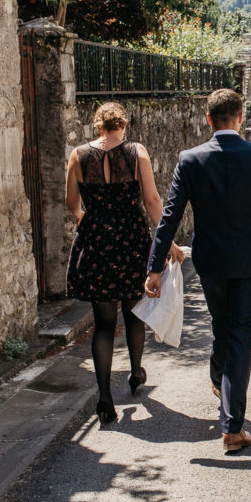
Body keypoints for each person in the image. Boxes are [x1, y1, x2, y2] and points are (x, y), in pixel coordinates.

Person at [145, 89, 251, 453]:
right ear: (241, 118)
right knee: (239, 334)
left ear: (208, 119)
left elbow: (170, 217)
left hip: (210, 261)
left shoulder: (190, 160)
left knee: (222, 324)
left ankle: (220, 384)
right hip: (250, 261)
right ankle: (232, 425)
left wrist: (154, 268)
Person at [66, 102, 165, 425]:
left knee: (104, 322)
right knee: (134, 312)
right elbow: (151, 200)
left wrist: (87, 219)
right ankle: (136, 373)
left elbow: (71, 203)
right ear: (124, 124)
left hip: (96, 240)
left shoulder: (78, 155)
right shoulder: (137, 153)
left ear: (98, 126)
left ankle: (105, 396)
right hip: (130, 238)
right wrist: (167, 242)